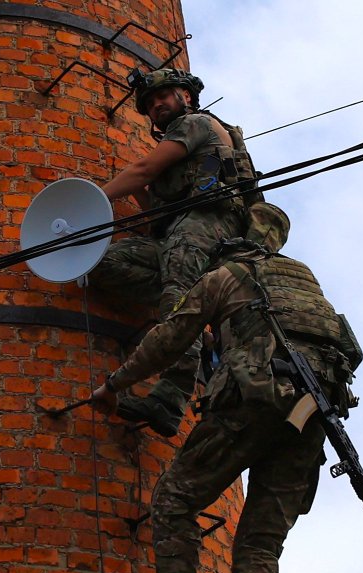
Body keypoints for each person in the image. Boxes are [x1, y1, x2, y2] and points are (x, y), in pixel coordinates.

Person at [89, 203, 362, 573]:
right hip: (310, 420)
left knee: (174, 500)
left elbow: (170, 338)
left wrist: (115, 384)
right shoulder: (306, 288)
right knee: (261, 546)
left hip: (248, 407)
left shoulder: (227, 276)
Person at [89, 68, 259, 438]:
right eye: (150, 103)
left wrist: (91, 201)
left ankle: (169, 399)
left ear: (186, 96)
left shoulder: (195, 123)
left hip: (209, 223)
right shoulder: (180, 148)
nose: (156, 105)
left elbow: (143, 169)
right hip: (178, 231)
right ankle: (195, 328)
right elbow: (155, 203)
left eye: (163, 96)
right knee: (105, 265)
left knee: (178, 297)